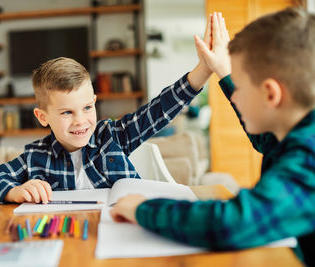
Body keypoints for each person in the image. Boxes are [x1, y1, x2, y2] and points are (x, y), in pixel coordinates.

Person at [110, 7, 315, 265]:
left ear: (271, 94)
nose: (233, 96)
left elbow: (232, 223)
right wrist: (223, 70)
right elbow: (265, 141)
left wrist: (141, 209)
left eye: (238, 86)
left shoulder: (310, 154)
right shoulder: (296, 132)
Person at [0, 15, 215, 205]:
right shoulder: (34, 158)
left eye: (87, 108)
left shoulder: (112, 137)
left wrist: (202, 71)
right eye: (67, 113)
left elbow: (160, 110)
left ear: (95, 101)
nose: (81, 121)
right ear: (43, 117)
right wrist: (13, 191)